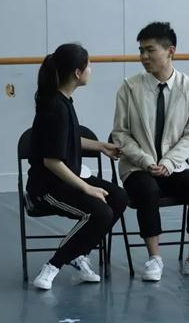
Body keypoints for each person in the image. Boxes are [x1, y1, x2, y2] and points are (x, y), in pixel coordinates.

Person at [112, 22, 189, 281]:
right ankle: (154, 258)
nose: (144, 56)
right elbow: (120, 133)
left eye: (150, 50)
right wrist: (145, 160)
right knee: (147, 191)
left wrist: (168, 162)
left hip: (173, 166)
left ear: (170, 51)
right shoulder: (129, 88)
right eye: (141, 51)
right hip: (137, 167)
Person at [27, 43, 128, 290]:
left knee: (118, 197)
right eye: (88, 65)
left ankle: (78, 253)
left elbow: (68, 139)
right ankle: (53, 266)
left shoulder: (63, 101)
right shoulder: (55, 107)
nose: (91, 69)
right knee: (100, 212)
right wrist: (86, 187)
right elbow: (51, 161)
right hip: (46, 188)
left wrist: (100, 146)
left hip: (66, 180)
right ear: (77, 73)